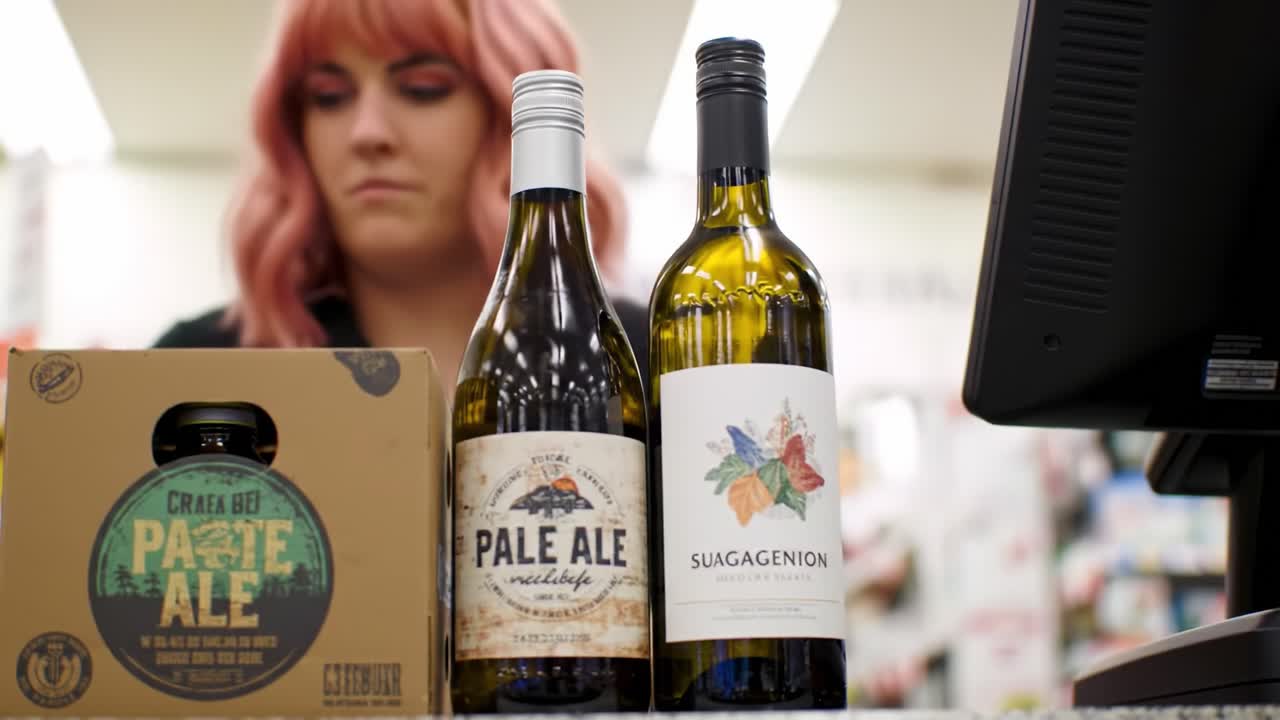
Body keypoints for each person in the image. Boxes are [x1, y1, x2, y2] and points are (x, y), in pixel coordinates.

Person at [155, 0, 647, 386]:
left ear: (515, 117)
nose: (367, 133)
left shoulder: (649, 364)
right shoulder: (195, 372)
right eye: (328, 96)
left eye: (422, 88)